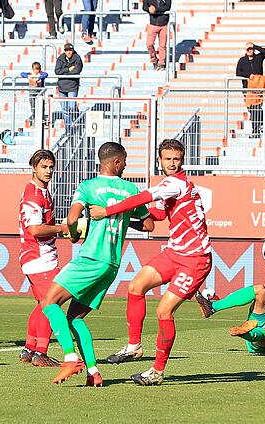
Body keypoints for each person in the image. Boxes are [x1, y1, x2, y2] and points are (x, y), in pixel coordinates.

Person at [92, 139, 211, 386]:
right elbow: (156, 215)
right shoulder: (173, 187)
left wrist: (108, 211)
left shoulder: (175, 183)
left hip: (195, 258)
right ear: (160, 160)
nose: (171, 163)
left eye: (176, 159)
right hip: (174, 253)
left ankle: (157, 371)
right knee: (136, 287)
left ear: (182, 160)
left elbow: (143, 197)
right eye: (167, 159)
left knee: (164, 311)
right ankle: (134, 346)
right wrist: (128, 219)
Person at [40, 142, 153, 386]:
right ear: (114, 162)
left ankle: (70, 359)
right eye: (123, 161)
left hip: (91, 257)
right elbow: (148, 225)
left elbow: (72, 218)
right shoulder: (131, 189)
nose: (125, 165)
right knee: (75, 319)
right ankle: (94, 372)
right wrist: (121, 218)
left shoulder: (88, 186)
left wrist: (72, 234)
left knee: (48, 302)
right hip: (111, 265)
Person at [18, 150, 66, 367]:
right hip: (38, 256)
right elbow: (35, 229)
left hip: (37, 255)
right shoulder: (34, 194)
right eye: (43, 167)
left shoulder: (42, 191)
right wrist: (61, 228)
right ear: (33, 167)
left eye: (50, 167)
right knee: (52, 302)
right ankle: (41, 352)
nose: (48, 171)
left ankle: (29, 349)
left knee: (42, 304)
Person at [235, 42, 265, 136]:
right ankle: (258, 124)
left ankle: (256, 129)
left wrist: (254, 46)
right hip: (247, 87)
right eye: (248, 49)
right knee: (251, 107)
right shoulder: (242, 60)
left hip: (258, 87)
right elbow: (238, 72)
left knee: (256, 107)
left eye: (251, 49)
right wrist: (248, 75)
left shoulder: (259, 58)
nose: (250, 51)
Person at [54, 43, 83, 132]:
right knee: (64, 109)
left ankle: (78, 118)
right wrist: (68, 69)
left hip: (72, 86)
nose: (69, 52)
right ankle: (69, 127)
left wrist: (65, 73)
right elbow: (57, 71)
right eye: (67, 50)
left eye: (70, 50)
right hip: (62, 87)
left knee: (71, 106)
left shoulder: (77, 58)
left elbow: (77, 70)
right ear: (64, 51)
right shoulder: (60, 58)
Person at [142, 0, 171, 71]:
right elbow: (144, 7)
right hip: (153, 23)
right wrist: (149, 9)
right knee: (149, 44)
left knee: (162, 45)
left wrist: (155, 10)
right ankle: (154, 60)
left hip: (164, 23)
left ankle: (162, 63)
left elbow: (168, 7)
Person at [20, 62, 48, 127]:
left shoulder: (41, 74)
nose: (36, 71)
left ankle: (42, 122)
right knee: (33, 109)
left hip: (40, 94)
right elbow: (22, 74)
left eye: (37, 69)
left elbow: (46, 74)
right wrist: (28, 77)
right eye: (34, 69)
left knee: (41, 108)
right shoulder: (30, 74)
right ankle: (33, 122)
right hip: (32, 94)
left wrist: (39, 78)